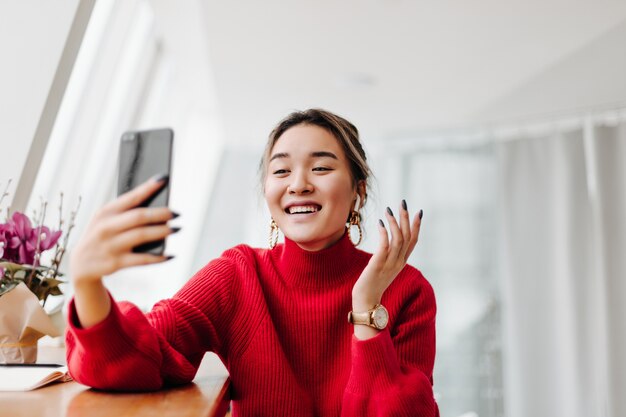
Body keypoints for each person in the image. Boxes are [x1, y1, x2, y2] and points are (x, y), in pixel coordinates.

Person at [66, 109, 439, 417]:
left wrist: (366, 308)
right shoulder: (239, 274)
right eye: (280, 171)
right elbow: (138, 359)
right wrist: (86, 283)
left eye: (321, 168)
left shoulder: (407, 289)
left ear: (358, 190)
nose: (298, 184)